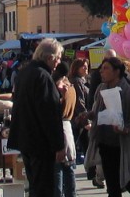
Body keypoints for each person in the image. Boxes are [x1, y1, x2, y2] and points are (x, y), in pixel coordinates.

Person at [8, 38, 66, 197]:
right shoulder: (43, 76)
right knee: (43, 188)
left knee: (34, 185)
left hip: (26, 138)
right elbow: (48, 115)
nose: (59, 63)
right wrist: (59, 145)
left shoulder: (25, 72)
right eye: (58, 58)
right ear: (50, 58)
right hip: (40, 142)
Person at [84, 57, 130, 197]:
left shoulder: (129, 93)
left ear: (117, 71)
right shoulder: (101, 89)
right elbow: (97, 111)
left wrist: (125, 129)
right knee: (112, 187)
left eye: (106, 68)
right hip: (106, 145)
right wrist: (87, 115)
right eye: (101, 69)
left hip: (124, 146)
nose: (102, 72)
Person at [53, 62, 77, 197]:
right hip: (66, 126)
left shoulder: (63, 87)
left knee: (60, 168)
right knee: (68, 167)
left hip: (61, 125)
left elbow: (59, 109)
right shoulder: (70, 87)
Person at [68, 59, 90, 163]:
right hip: (79, 119)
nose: (86, 68)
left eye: (86, 66)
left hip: (78, 118)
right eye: (83, 67)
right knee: (84, 143)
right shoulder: (76, 81)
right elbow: (79, 102)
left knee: (83, 143)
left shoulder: (81, 80)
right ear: (77, 68)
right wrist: (85, 119)